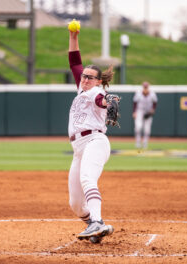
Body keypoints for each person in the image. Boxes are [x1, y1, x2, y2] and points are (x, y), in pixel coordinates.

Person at [67, 25, 115, 241]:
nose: (85, 79)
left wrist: (109, 100)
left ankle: (96, 220)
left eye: (90, 77)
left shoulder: (97, 92)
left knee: (88, 178)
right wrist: (73, 36)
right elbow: (75, 62)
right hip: (78, 148)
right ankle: (95, 225)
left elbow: (103, 100)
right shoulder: (82, 89)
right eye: (84, 76)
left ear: (98, 81)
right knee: (75, 204)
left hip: (95, 141)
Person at [132, 81, 158, 149]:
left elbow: (155, 102)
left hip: (148, 112)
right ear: (143, 87)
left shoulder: (152, 94)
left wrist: (153, 109)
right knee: (138, 127)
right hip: (140, 111)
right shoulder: (138, 93)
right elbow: (135, 103)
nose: (145, 88)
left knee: (147, 129)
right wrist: (134, 112)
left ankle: (145, 142)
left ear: (148, 87)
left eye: (146, 87)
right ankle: (138, 142)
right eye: (144, 87)